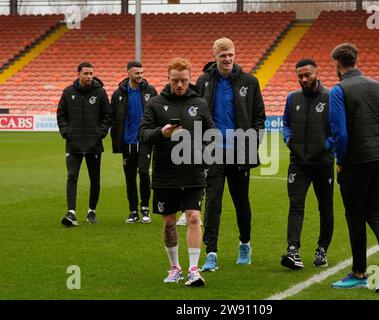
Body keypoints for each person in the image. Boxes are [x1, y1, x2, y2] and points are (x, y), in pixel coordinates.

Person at [328, 43, 379, 292]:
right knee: (375, 212)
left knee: (355, 215)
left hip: (355, 161)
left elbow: (340, 132)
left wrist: (341, 161)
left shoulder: (338, 90)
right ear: (357, 60)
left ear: (338, 65)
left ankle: (359, 271)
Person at [138, 57, 214, 286]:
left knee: (193, 217)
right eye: (175, 81)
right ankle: (175, 268)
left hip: (193, 172)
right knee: (169, 223)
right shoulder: (155, 103)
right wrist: (162, 132)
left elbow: (211, 134)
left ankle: (193, 268)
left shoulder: (200, 103)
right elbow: (142, 134)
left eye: (184, 80)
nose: (179, 85)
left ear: (190, 79)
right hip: (165, 174)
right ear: (168, 78)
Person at [196, 38, 266, 271]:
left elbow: (259, 117)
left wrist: (252, 142)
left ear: (235, 55)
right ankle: (211, 253)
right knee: (213, 202)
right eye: (222, 55)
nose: (227, 59)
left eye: (230, 55)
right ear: (214, 56)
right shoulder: (204, 81)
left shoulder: (250, 81)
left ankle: (244, 243)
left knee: (241, 202)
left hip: (239, 153)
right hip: (212, 153)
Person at [280, 58, 334, 270]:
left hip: (323, 163)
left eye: (307, 75)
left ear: (316, 73)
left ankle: (322, 250)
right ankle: (293, 250)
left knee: (325, 207)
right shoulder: (292, 98)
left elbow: (337, 129)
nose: (303, 79)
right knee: (295, 205)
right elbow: (286, 123)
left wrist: (325, 147)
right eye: (300, 76)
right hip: (298, 163)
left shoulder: (330, 97)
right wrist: (288, 140)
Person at [57, 62, 111, 226]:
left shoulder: (100, 93)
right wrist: (67, 133)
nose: (89, 76)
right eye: (86, 73)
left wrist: (100, 133)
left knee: (95, 179)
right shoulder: (68, 92)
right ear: (78, 73)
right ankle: (71, 212)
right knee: (72, 177)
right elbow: (61, 114)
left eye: (91, 73)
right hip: (73, 144)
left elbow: (107, 116)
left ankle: (91, 211)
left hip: (93, 144)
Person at [110, 61, 157, 224]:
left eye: (142, 73)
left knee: (144, 172)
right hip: (127, 141)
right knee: (129, 178)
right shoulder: (118, 94)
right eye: (137, 73)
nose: (140, 76)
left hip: (144, 140)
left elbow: (156, 114)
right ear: (129, 73)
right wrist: (116, 141)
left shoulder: (150, 91)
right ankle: (132, 211)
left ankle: (145, 208)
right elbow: (114, 119)